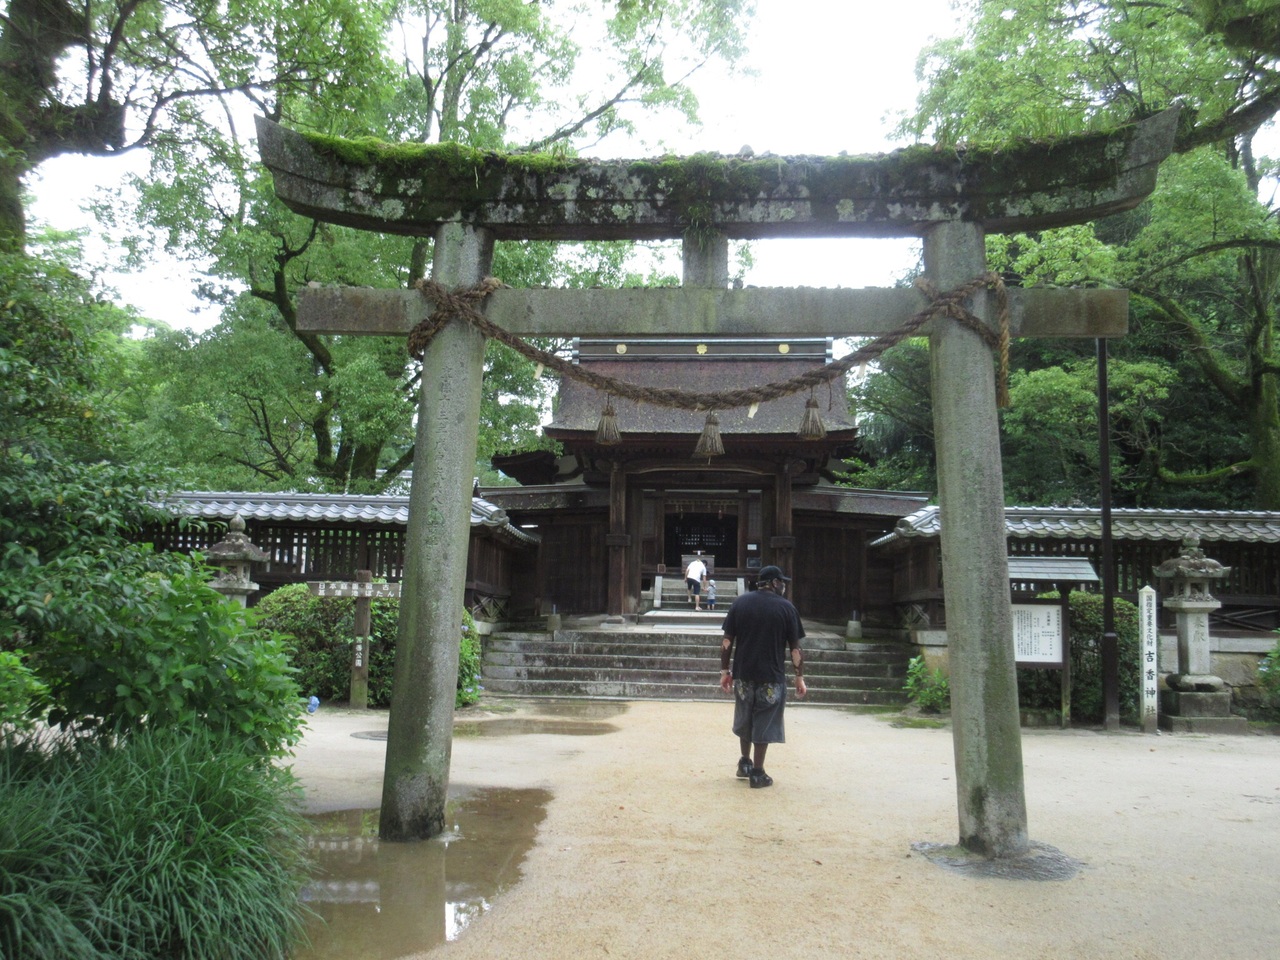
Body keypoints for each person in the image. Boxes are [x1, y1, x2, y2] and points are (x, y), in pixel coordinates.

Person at [718, 565, 806, 788]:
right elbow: (795, 649)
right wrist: (799, 677)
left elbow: (727, 641)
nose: (783, 586)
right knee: (764, 720)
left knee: (745, 716)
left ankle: (744, 763)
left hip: (743, 674)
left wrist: (725, 671)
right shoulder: (786, 608)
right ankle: (758, 772)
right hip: (771, 675)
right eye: (782, 582)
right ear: (774, 583)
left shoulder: (740, 603)